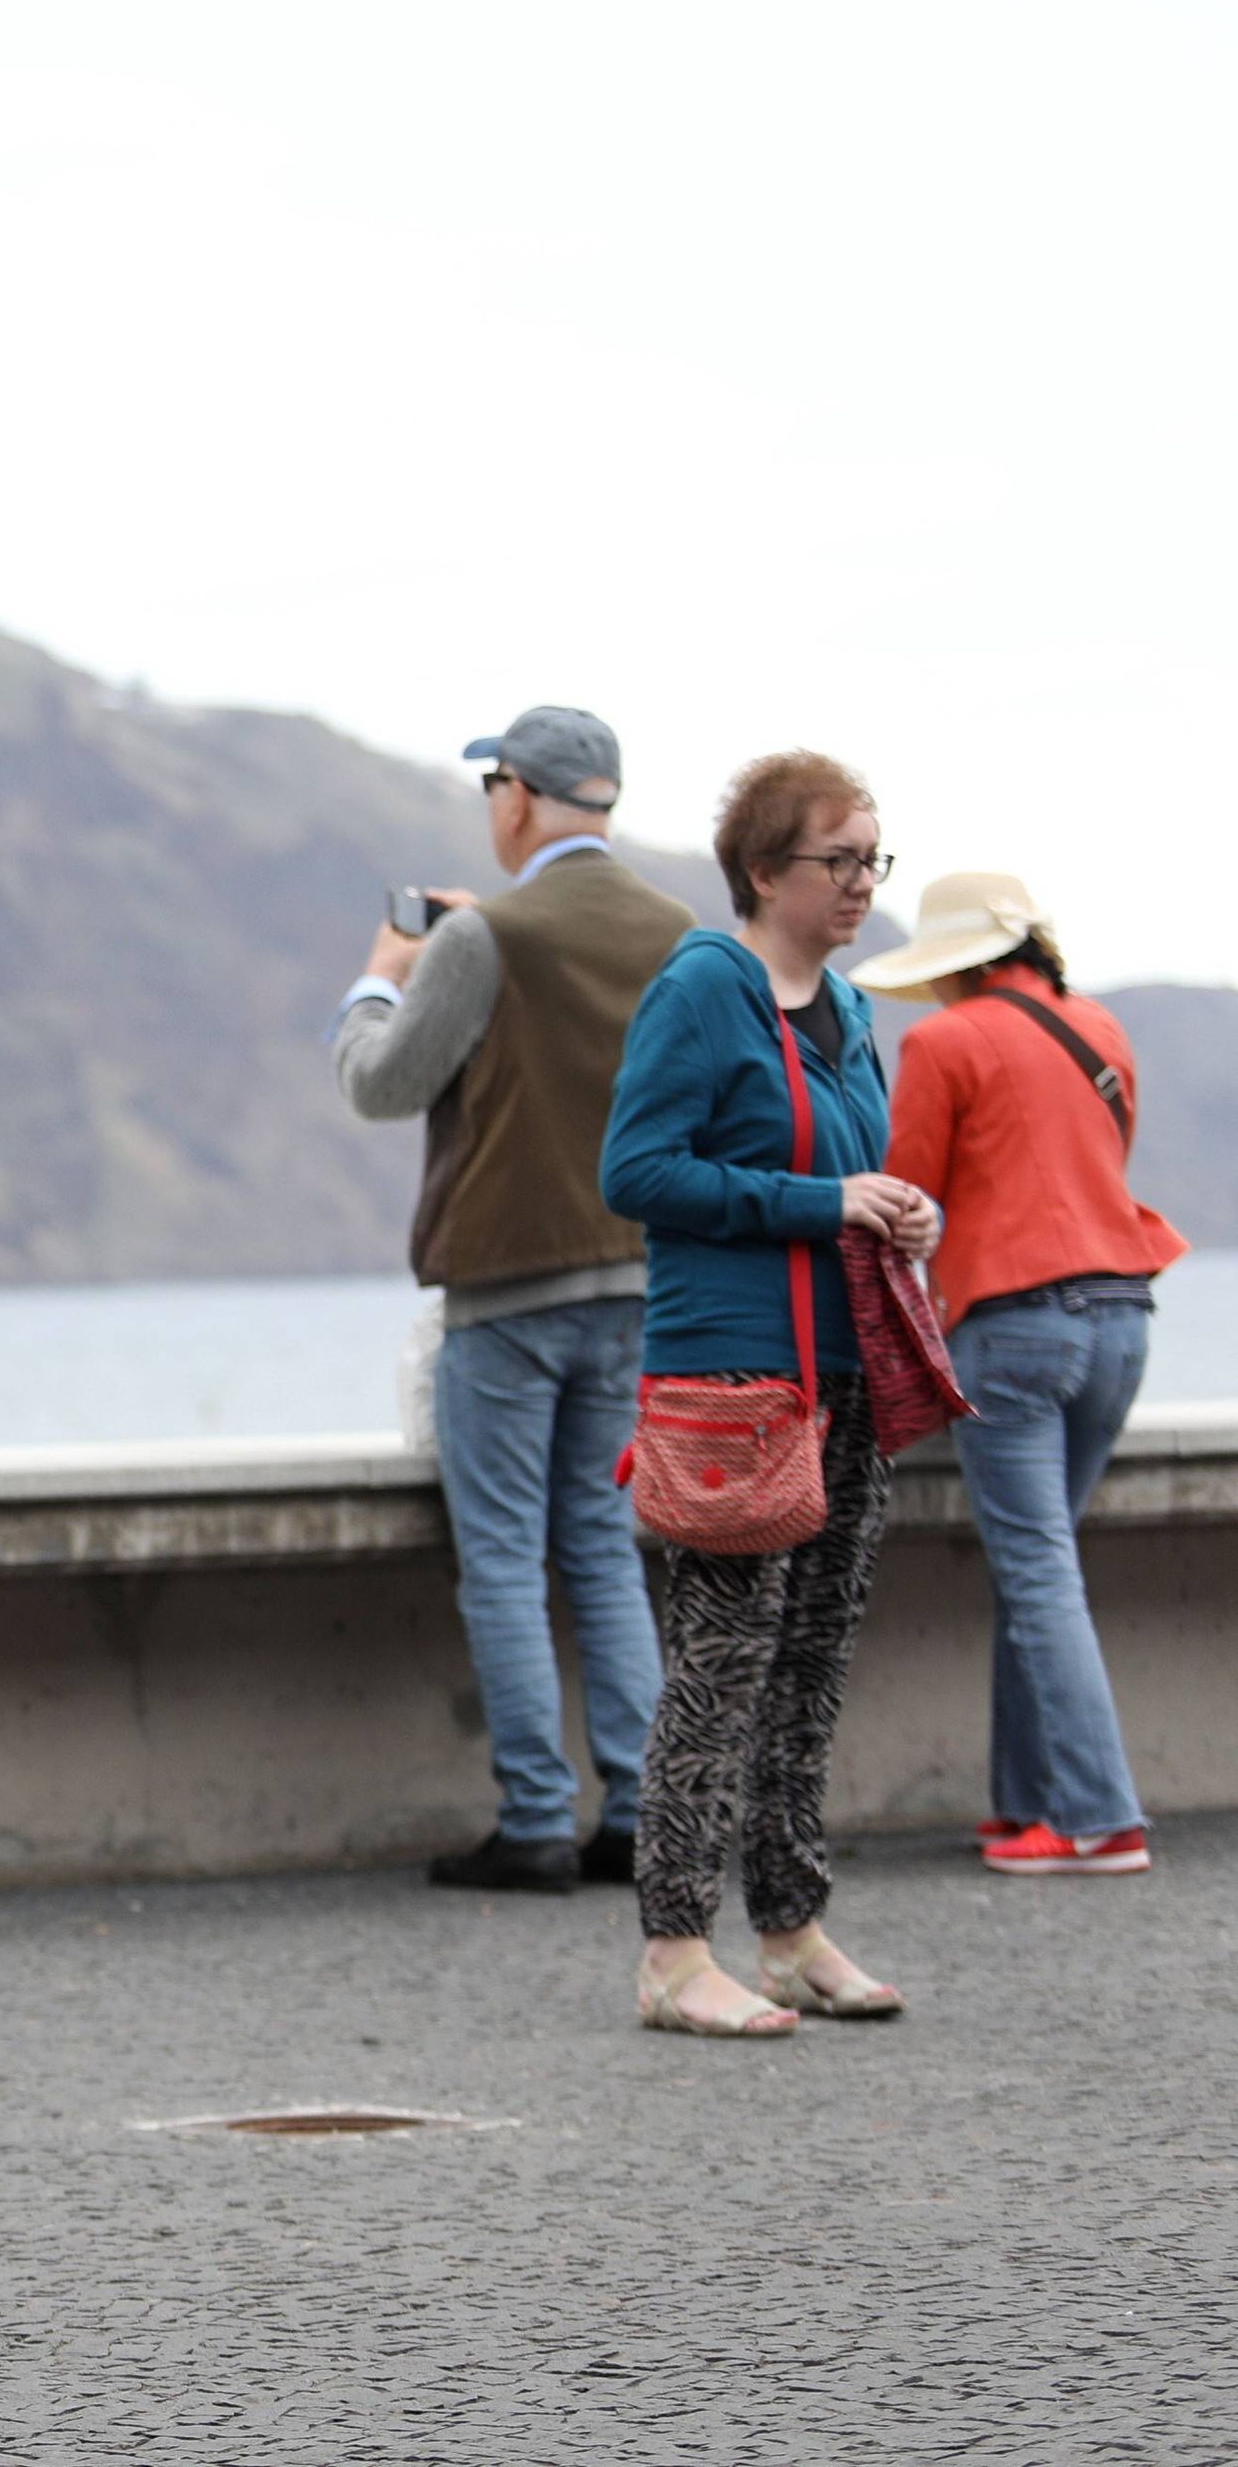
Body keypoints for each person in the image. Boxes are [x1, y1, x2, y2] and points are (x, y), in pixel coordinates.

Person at [601, 751, 939, 2036]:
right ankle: (673, 1949)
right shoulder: (702, 988)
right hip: (734, 1376)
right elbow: (636, 1168)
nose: (860, 884)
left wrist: (905, 1209)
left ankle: (791, 1929)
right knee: (718, 1666)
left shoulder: (848, 1014)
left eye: (872, 860)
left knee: (810, 1662)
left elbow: (863, 1171)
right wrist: (819, 1201)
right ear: (761, 870)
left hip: (843, 1369)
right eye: (836, 861)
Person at [337, 707, 692, 1893]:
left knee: (499, 1555)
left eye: (494, 784)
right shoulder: (680, 933)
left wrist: (378, 983)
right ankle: (643, 1811)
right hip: (639, 1279)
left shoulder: (487, 940)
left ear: (518, 799)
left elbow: (383, 1086)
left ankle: (536, 1818)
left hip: (505, 1284)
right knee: (599, 1543)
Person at [856, 874, 1181, 1879]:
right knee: (1041, 1565)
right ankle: (1029, 1802)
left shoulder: (943, 1044)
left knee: (1036, 1567)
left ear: (954, 964)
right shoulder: (1100, 1030)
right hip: (1123, 1314)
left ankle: (1095, 1818)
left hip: (1013, 1322)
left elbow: (904, 1195)